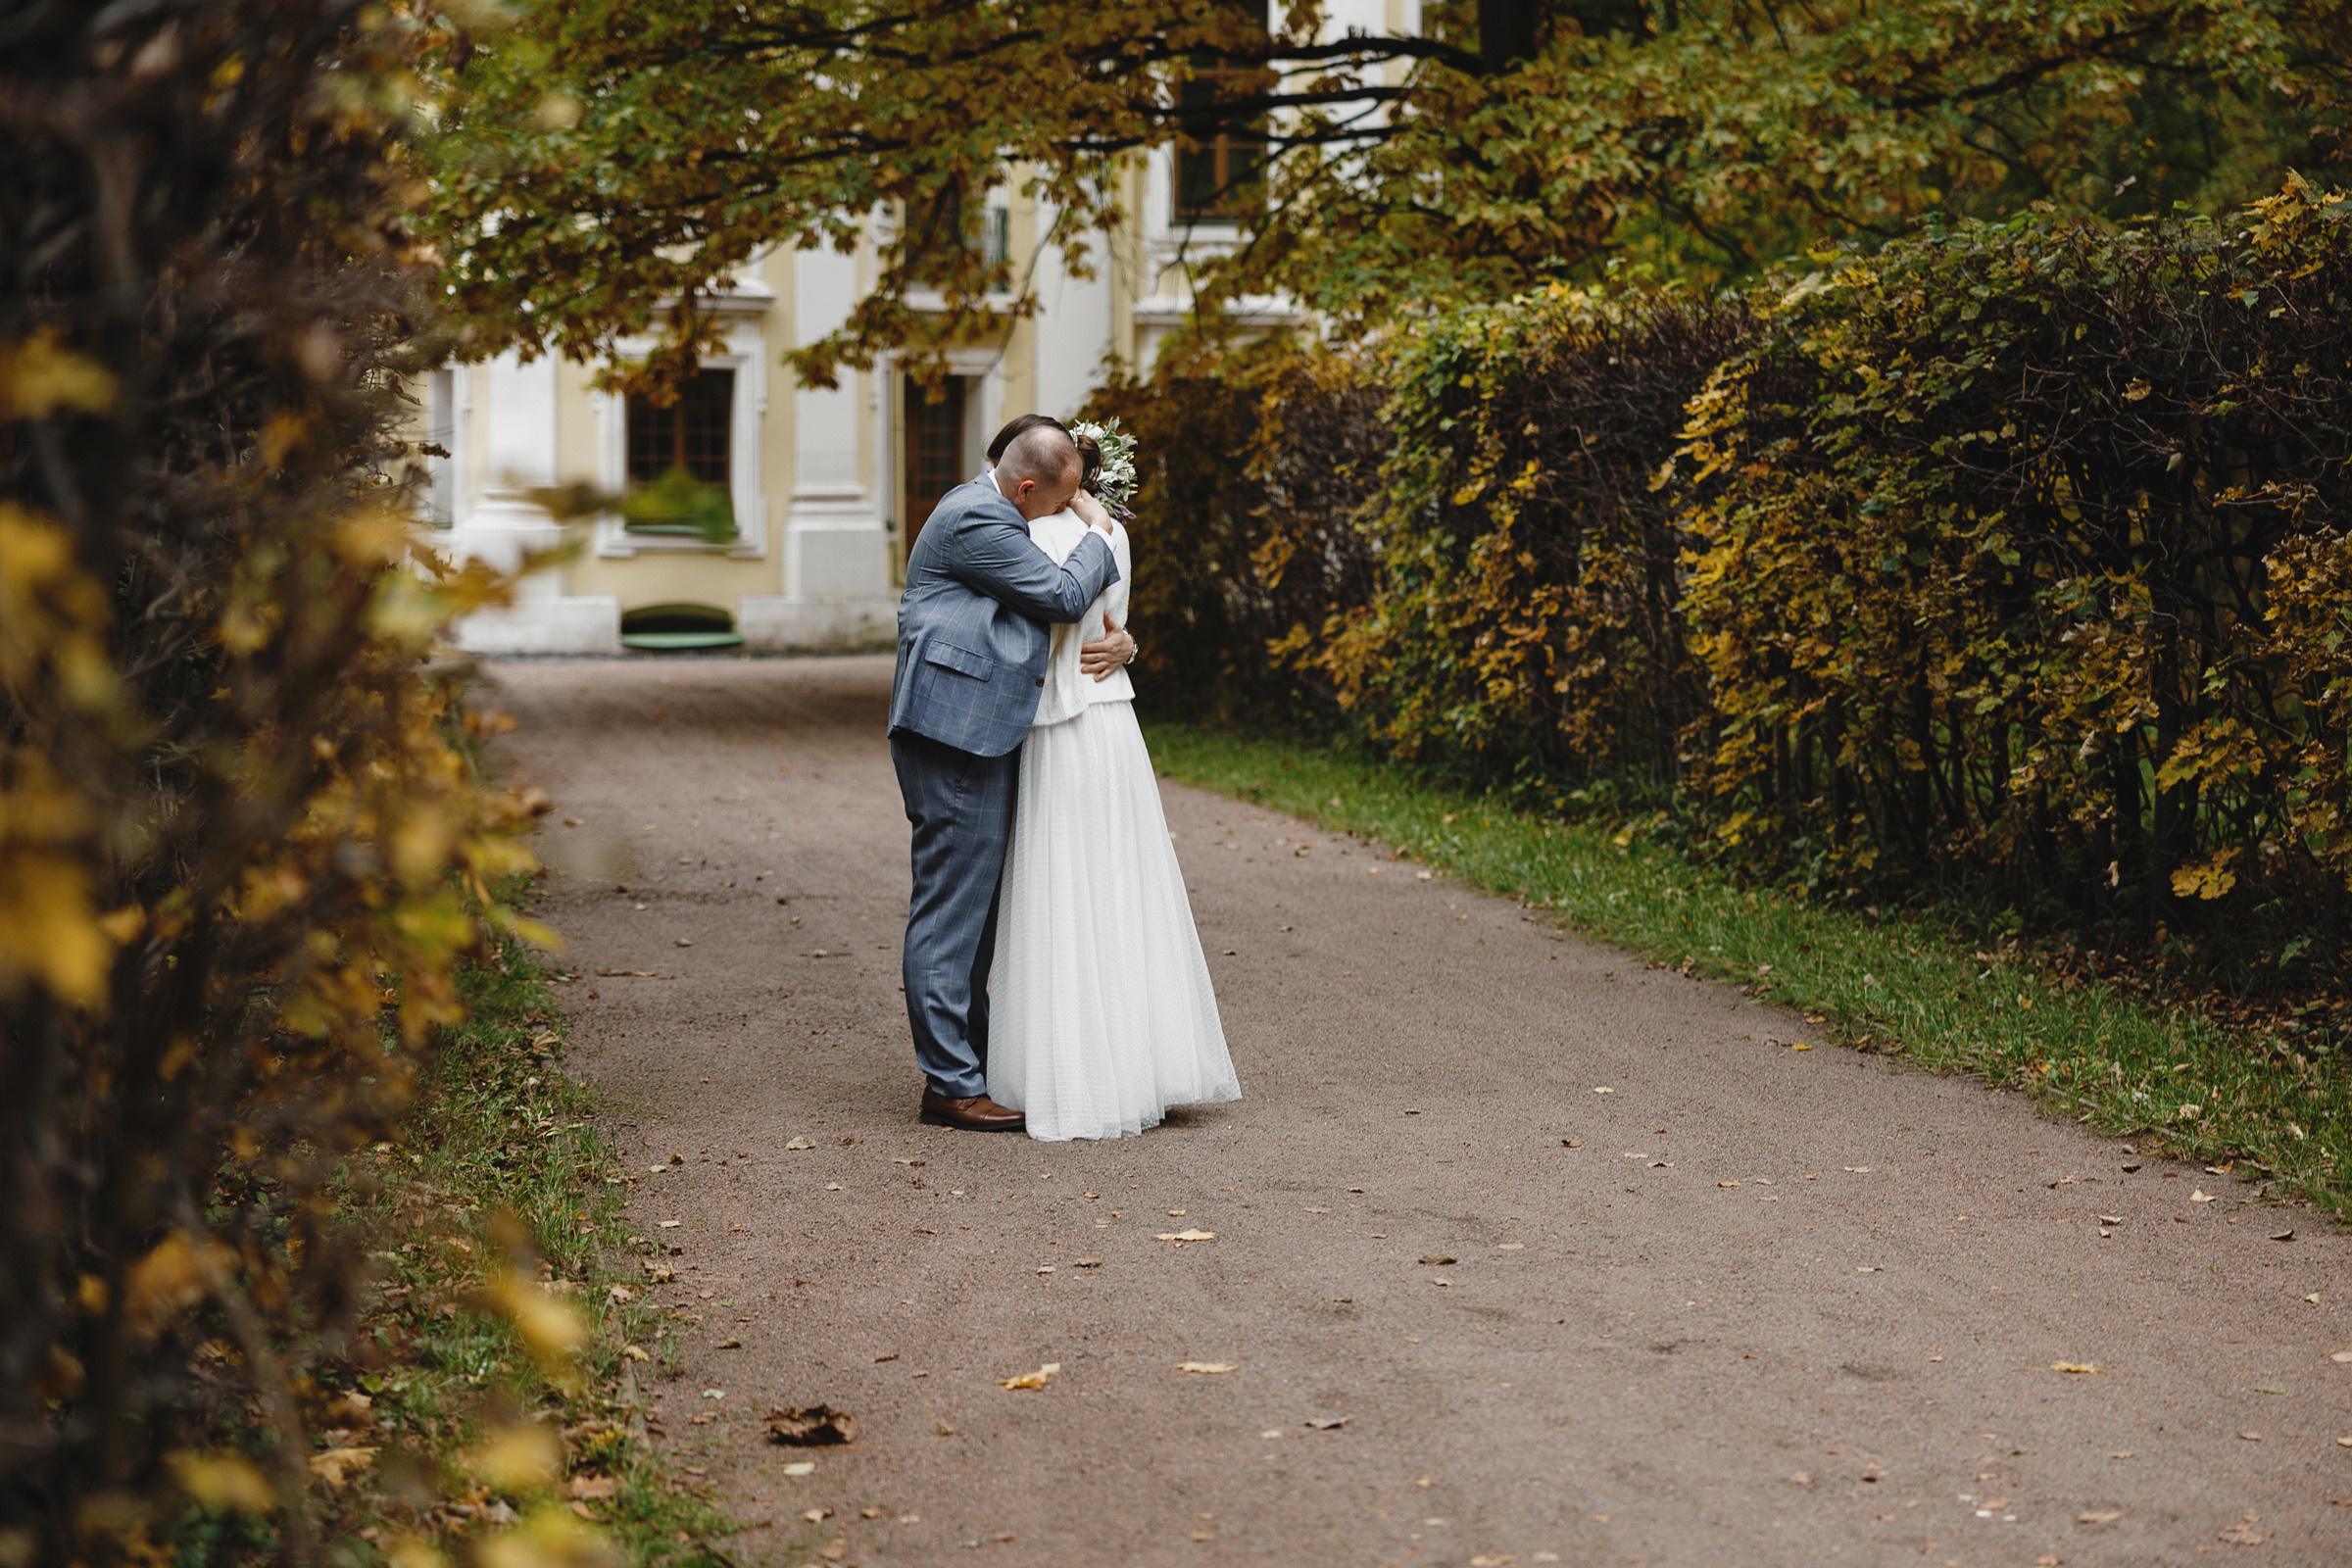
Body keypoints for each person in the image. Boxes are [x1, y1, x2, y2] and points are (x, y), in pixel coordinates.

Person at [986, 431, 1242, 1140]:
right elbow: (1113, 625)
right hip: (1113, 725)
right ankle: (1139, 1065)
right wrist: (1127, 640)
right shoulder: (1109, 536)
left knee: (1060, 887)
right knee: (1122, 885)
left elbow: (1055, 615)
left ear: (1023, 478)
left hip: (1059, 727)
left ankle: (1068, 1069)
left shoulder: (1021, 536)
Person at [885, 421, 1134, 1132]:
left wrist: (1124, 639)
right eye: (1060, 500)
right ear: (1028, 488)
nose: (1066, 508)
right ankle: (950, 1086)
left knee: (976, 917)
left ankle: (971, 1065)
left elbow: (1068, 622)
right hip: (952, 734)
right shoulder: (977, 518)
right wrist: (1100, 526)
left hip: (975, 729)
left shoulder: (999, 507)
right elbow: (1058, 597)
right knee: (951, 912)